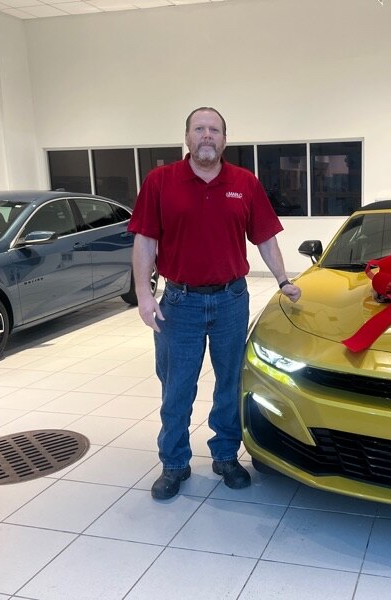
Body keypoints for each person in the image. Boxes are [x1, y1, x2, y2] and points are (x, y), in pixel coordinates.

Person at [128, 107, 301, 500]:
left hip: (231, 301)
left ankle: (225, 455)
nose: (207, 135)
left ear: (225, 139)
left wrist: (283, 279)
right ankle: (174, 463)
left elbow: (265, 237)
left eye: (215, 130)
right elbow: (145, 240)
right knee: (176, 387)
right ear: (187, 137)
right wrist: (143, 294)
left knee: (230, 384)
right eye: (199, 129)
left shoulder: (244, 183)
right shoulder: (160, 181)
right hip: (179, 303)